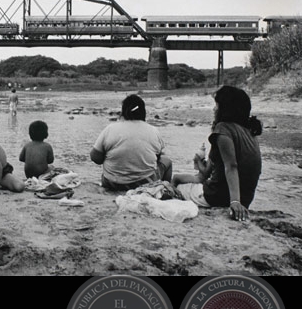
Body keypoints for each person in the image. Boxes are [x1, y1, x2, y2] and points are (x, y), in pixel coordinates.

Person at [171, 86, 262, 221]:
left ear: (225, 108)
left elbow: (231, 166)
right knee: (180, 179)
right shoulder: (250, 132)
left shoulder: (223, 129)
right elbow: (208, 172)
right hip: (246, 199)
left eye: (216, 105)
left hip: (218, 197)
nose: (214, 109)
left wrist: (234, 202)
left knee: (175, 184)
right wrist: (199, 164)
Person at [90, 94, 172, 191]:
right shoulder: (153, 131)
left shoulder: (110, 129)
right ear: (143, 112)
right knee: (167, 161)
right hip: (144, 183)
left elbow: (95, 158)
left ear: (123, 112)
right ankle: (163, 190)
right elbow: (157, 159)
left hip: (112, 183)